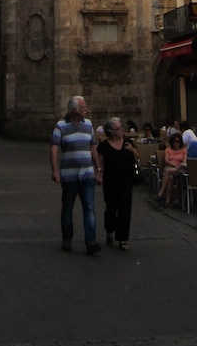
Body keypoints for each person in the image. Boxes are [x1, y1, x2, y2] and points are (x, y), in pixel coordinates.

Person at [50, 95, 103, 255]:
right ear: (74, 109)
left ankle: (91, 241)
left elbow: (93, 147)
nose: (86, 110)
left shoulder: (88, 125)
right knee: (67, 208)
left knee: (89, 208)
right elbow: (54, 148)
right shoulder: (60, 126)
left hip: (87, 174)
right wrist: (55, 170)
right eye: (83, 107)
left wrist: (98, 169)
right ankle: (67, 239)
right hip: (69, 175)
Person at [98, 118, 138, 251]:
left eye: (121, 128)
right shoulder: (104, 146)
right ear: (111, 132)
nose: (121, 131)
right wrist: (98, 175)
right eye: (118, 129)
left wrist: (132, 150)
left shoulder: (127, 142)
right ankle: (110, 231)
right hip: (110, 182)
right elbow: (99, 164)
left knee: (125, 210)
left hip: (126, 181)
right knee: (111, 209)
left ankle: (123, 239)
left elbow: (137, 158)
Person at [156, 130, 188, 207]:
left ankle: (161, 192)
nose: (175, 143)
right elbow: (166, 161)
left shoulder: (184, 150)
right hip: (172, 167)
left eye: (177, 141)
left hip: (179, 169)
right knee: (170, 177)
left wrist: (178, 166)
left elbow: (184, 161)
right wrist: (175, 165)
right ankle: (167, 200)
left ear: (180, 142)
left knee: (168, 171)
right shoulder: (168, 150)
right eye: (173, 141)